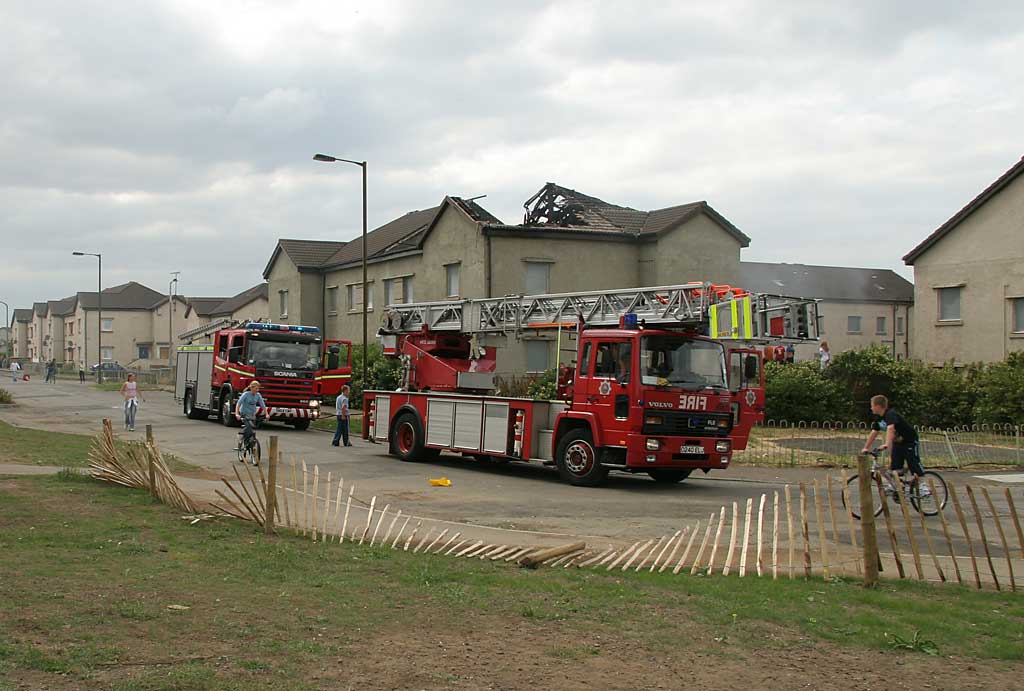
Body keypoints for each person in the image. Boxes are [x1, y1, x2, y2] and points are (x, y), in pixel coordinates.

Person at [862, 394, 924, 493]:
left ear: (878, 406)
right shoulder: (879, 418)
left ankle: (922, 485)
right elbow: (874, 432)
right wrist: (865, 448)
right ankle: (898, 486)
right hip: (898, 442)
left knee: (913, 462)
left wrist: (886, 444)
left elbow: (891, 428)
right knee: (894, 466)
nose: (871, 408)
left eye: (872, 405)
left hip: (909, 441)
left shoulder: (890, 414)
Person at [234, 381, 267, 451]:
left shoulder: (258, 395)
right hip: (244, 413)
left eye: (258, 389)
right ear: (251, 388)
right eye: (256, 388)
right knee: (248, 426)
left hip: (252, 414)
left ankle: (250, 442)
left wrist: (266, 414)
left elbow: (262, 405)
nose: (257, 390)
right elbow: (238, 404)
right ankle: (241, 436)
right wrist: (237, 414)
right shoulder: (246, 394)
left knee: (252, 427)